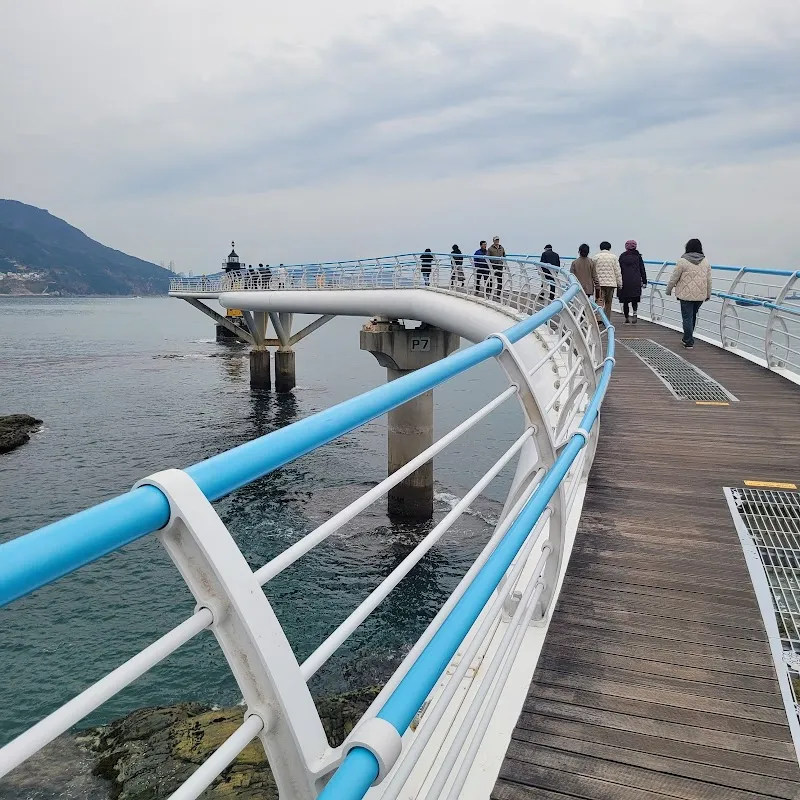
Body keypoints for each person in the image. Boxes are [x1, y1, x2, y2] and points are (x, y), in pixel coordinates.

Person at [666, 238, 712, 348]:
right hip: (700, 295)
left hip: (685, 295)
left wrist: (669, 289)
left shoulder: (682, 261)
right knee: (692, 316)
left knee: (687, 317)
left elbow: (674, 277)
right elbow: (709, 280)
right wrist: (708, 294)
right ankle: (689, 337)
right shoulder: (705, 262)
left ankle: (688, 341)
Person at [618, 240, 648, 323]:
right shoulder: (638, 256)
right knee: (635, 299)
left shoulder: (622, 256)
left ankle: (626, 318)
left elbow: (618, 269)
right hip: (636, 281)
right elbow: (642, 269)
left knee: (625, 301)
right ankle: (635, 313)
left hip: (624, 281)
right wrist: (644, 281)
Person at [593, 241, 622, 321]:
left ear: (600, 248)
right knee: (608, 303)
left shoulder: (596, 257)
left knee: (599, 301)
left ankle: (598, 319)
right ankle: (607, 320)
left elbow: (593, 271)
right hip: (611, 284)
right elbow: (617, 271)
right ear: (609, 248)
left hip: (599, 284)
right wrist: (619, 283)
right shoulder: (614, 257)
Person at [488, 235, 506, 300]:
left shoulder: (502, 248)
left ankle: (498, 294)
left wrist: (505, 264)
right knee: (491, 280)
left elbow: (504, 256)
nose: (497, 241)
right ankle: (490, 292)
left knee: (500, 281)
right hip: (493, 266)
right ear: (493, 241)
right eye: (496, 240)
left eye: (498, 240)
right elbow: (488, 257)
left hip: (500, 267)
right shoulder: (490, 249)